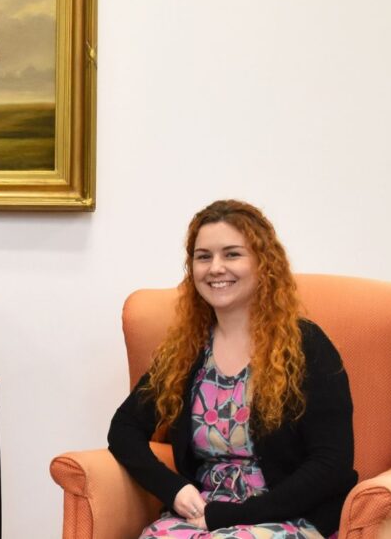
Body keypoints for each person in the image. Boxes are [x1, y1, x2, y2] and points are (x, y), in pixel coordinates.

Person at [108, 200, 356, 539]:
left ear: (263, 263)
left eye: (232, 254)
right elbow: (124, 429)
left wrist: (230, 516)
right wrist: (174, 489)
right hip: (202, 515)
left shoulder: (306, 345)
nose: (215, 268)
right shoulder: (186, 350)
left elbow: (331, 463)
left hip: (288, 517)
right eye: (203, 256)